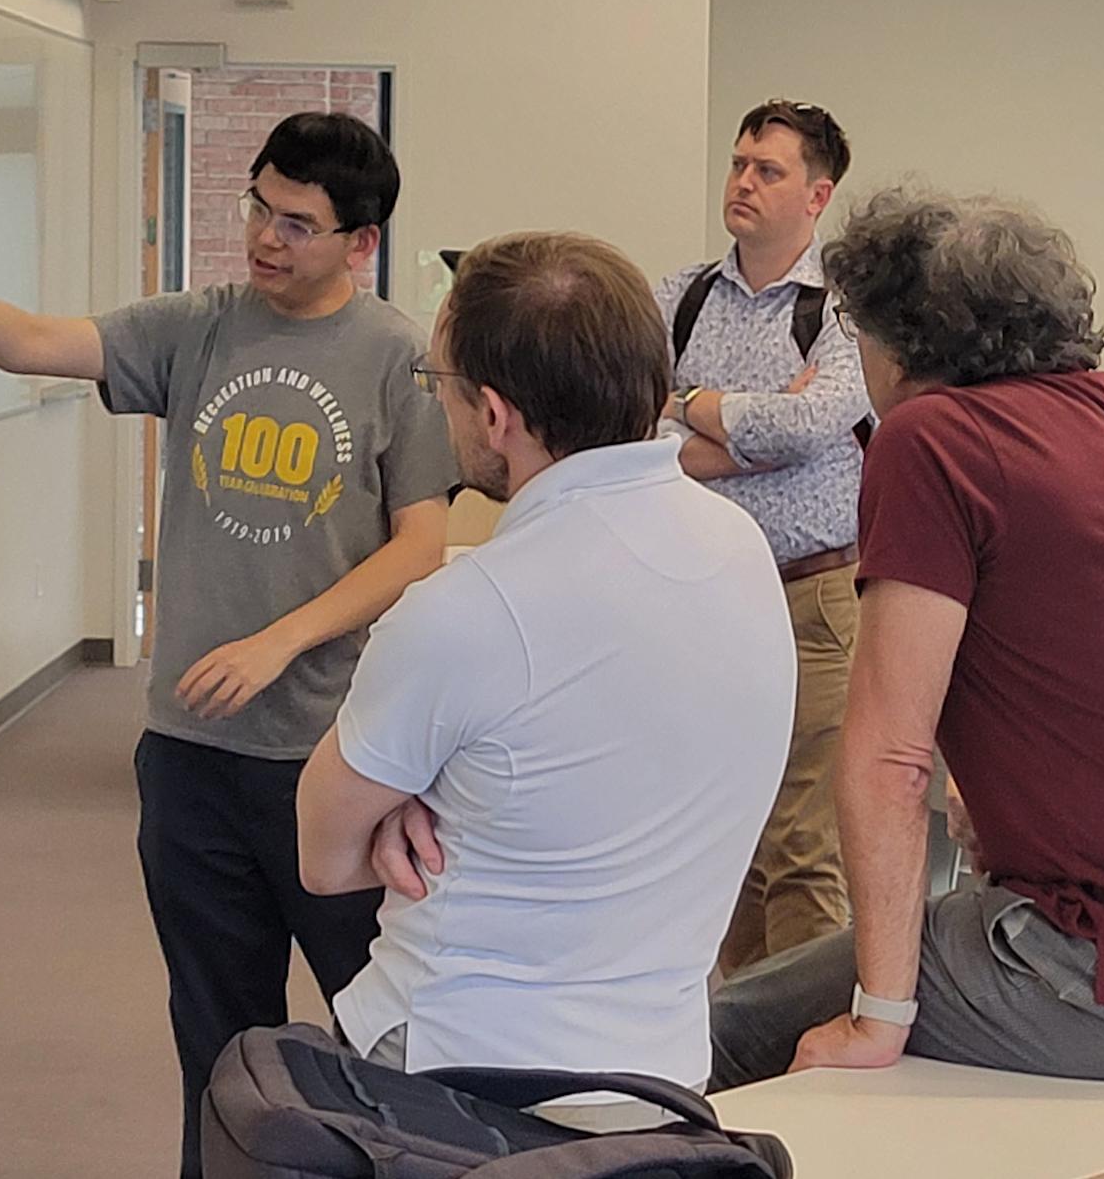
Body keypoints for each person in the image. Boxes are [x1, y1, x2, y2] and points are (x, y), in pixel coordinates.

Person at [0, 112, 456, 1177]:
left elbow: (421, 546)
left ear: (360, 241)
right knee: (216, 1034)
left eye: (296, 223)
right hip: (191, 753)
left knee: (376, 1028)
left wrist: (281, 640)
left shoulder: (398, 357)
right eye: (259, 206)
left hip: (333, 752)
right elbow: (38, 342)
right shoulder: (198, 327)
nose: (265, 236)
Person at [709, 186, 1104, 1090]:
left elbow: (889, 758)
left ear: (901, 341)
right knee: (906, 939)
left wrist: (878, 1020)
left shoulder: (932, 439)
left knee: (724, 1033)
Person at [295, 231, 792, 1129]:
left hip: (460, 1078)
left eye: (436, 386)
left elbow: (324, 862)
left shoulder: (466, 609)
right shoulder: (742, 551)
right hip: (664, 1084)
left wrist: (427, 796)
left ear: (493, 415)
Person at [657, 99, 872, 973]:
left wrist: (695, 414)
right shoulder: (680, 298)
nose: (743, 181)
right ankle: (743, 1042)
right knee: (730, 836)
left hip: (809, 599)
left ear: (817, 196)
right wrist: (734, 432)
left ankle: (811, 1055)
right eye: (740, 163)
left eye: (769, 170)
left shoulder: (843, 309)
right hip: (703, 598)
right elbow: (634, 429)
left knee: (800, 844)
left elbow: (815, 424)